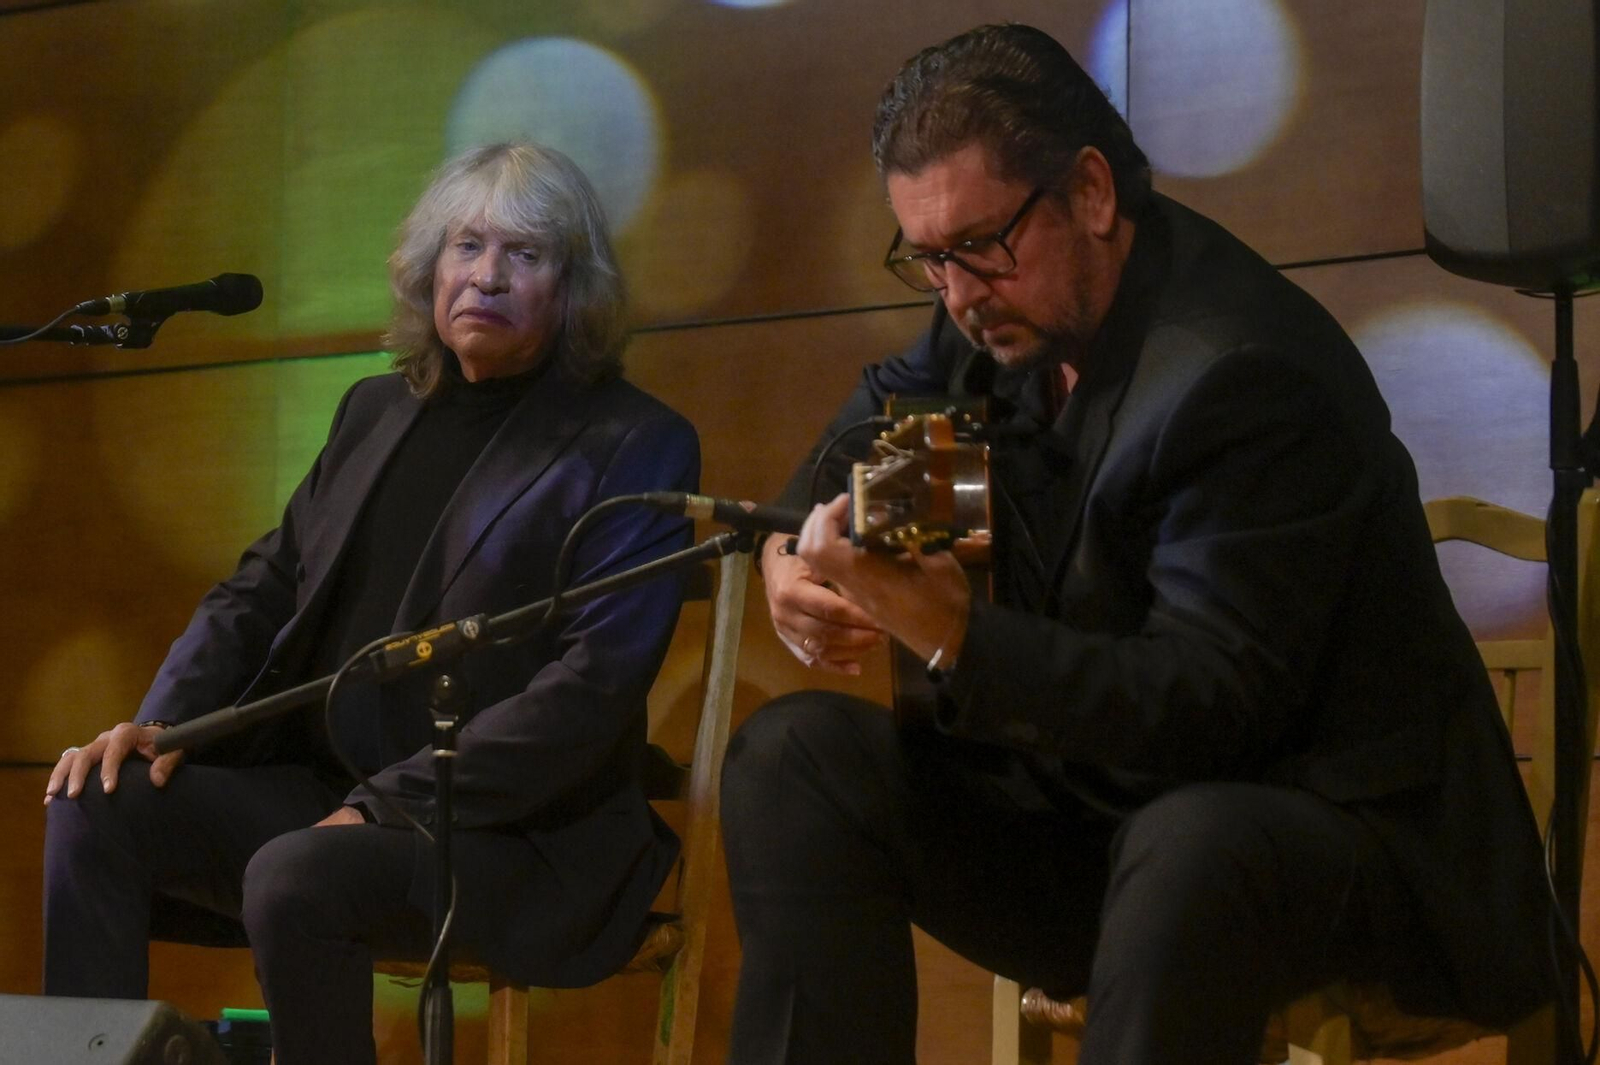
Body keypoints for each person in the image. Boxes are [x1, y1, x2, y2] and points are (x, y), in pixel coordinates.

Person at [720, 24, 1552, 1064]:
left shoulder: (1241, 374)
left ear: (1093, 193)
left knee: (1189, 843)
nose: (957, 293)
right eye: (927, 258)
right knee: (793, 757)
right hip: (1109, 831)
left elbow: (1210, 706)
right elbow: (879, 417)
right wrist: (789, 550)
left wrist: (961, 640)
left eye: (979, 246)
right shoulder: (993, 318)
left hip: (1340, 851)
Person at [42, 142, 700, 1065]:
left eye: (525, 254)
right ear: (431, 266)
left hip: (511, 831)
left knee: (297, 869)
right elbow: (259, 591)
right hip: (325, 796)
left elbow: (588, 693)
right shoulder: (371, 411)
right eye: (466, 245)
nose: (487, 275)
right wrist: (162, 728)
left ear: (574, 287)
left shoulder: (636, 443)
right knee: (95, 800)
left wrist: (388, 808)